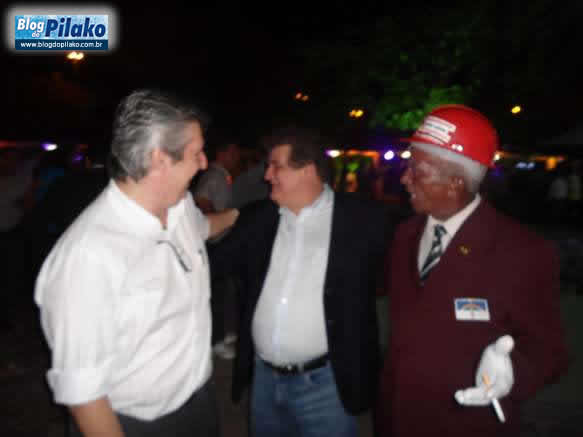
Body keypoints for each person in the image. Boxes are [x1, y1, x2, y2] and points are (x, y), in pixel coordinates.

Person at [34, 89, 237, 437]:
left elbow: (203, 228)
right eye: (196, 153)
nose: (204, 163)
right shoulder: (89, 257)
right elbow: (84, 395)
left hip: (199, 401)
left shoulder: (180, 207)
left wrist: (241, 216)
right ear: (159, 159)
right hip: (136, 424)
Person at [378, 105, 569, 437]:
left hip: (467, 424)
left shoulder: (522, 252)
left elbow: (551, 351)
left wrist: (513, 372)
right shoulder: (404, 235)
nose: (405, 178)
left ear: (455, 183)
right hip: (397, 419)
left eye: (417, 170)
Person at [209, 126, 390, 437]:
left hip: (326, 387)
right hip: (264, 382)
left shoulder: (361, 218)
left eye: (276, 166)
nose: (267, 175)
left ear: (307, 171)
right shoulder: (261, 217)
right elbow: (211, 265)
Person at [193, 136, 241, 360]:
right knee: (216, 293)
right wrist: (216, 224)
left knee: (222, 291)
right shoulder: (214, 176)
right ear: (222, 153)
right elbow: (201, 201)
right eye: (233, 152)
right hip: (214, 243)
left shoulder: (222, 176)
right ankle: (215, 341)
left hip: (219, 240)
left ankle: (220, 334)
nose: (236, 157)